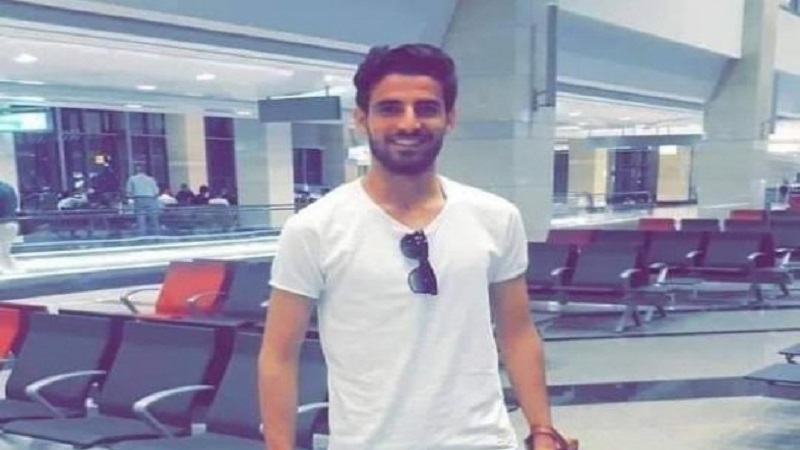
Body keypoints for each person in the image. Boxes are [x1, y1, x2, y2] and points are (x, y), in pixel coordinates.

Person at [259, 44, 563, 450]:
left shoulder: (496, 217)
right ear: (361, 118)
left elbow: (518, 333)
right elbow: (278, 356)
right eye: (390, 109)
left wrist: (542, 429)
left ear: (449, 118)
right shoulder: (314, 229)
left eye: (426, 108)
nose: (409, 123)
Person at [125, 164, 160, 235]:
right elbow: (156, 192)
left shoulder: (132, 179)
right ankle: (157, 234)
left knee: (140, 218)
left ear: (135, 171)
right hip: (151, 199)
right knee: (154, 218)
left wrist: (131, 196)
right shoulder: (151, 179)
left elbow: (129, 191)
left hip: (139, 199)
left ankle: (142, 235)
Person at [0, 180, 20, 274]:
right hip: (12, 223)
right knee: (5, 252)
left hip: (2, 223)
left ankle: (5, 271)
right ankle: (15, 269)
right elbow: (15, 205)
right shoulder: (8, 187)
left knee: (2, 252)